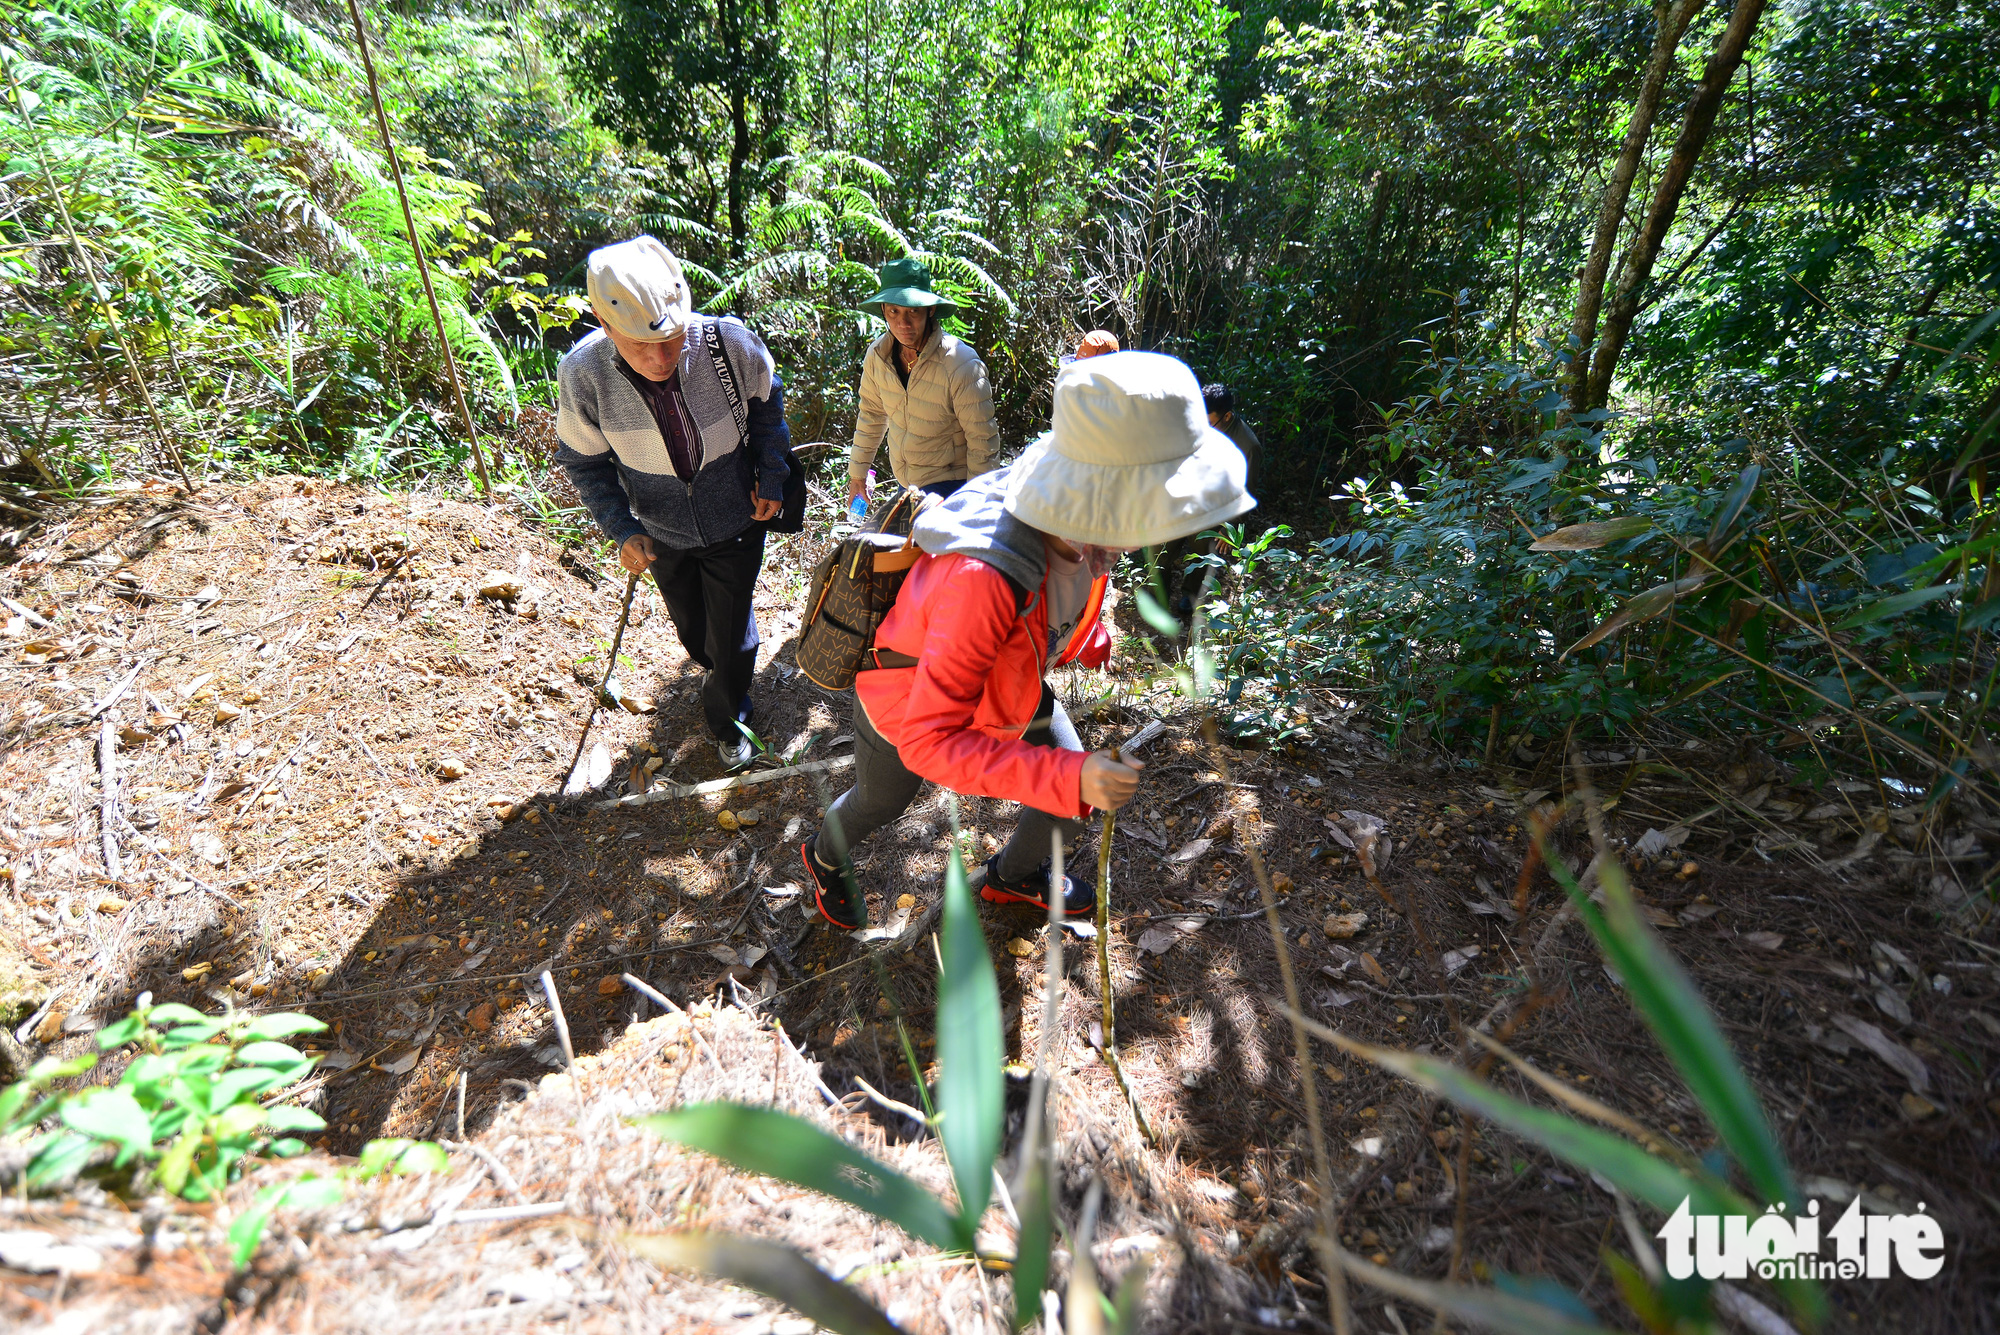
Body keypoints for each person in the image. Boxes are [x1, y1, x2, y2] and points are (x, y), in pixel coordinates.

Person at [800, 351, 1257, 929]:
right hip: (907, 702)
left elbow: (1052, 606)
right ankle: (823, 855)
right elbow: (928, 741)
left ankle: (1011, 879)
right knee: (882, 801)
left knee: (1065, 796)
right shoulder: (985, 579)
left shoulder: (1082, 525)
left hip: (1008, 689)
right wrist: (1068, 776)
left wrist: (1084, 637)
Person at [555, 235, 792, 773]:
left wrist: (772, 477)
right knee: (695, 634)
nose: (662, 357)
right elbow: (585, 463)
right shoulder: (583, 376)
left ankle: (729, 721)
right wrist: (621, 528)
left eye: (673, 338)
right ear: (604, 322)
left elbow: (767, 407)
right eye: (642, 344)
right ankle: (721, 672)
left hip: (736, 516)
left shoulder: (727, 343)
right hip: (662, 530)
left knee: (729, 636)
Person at [847, 258, 1001, 509]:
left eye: (913, 311)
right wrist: (858, 476)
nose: (903, 323)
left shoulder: (960, 363)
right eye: (894, 311)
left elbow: (982, 441)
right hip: (907, 484)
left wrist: (975, 504)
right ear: (884, 310)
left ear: (929, 310)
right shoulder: (878, 356)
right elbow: (871, 417)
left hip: (954, 486)